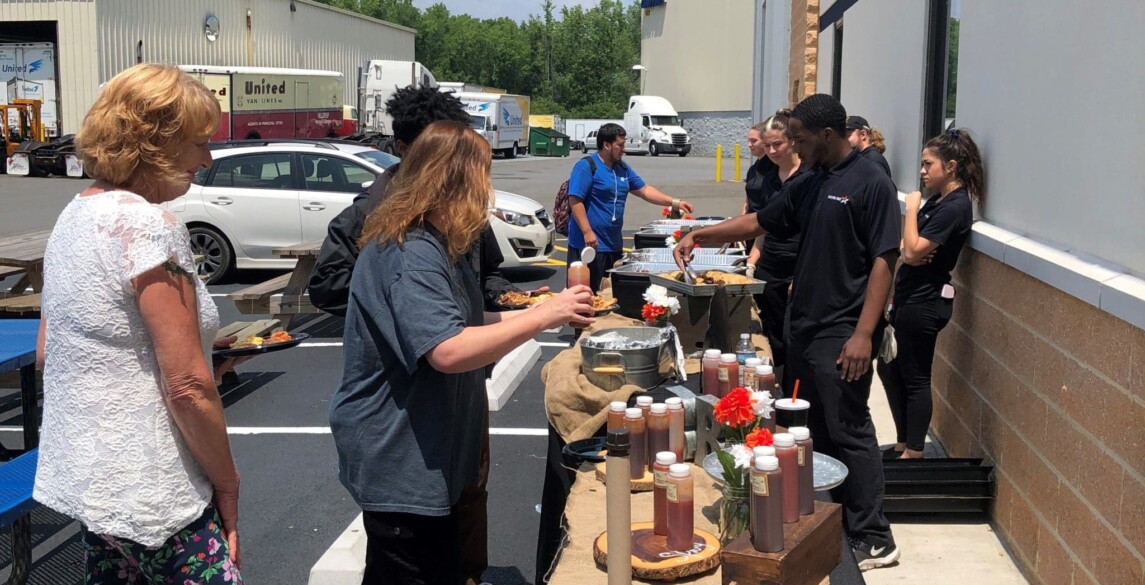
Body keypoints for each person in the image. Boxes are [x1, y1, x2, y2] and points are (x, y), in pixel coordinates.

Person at [328, 120, 594, 584]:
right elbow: (447, 350)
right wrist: (543, 316)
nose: (488, 190)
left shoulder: (436, 243)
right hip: (401, 456)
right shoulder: (409, 250)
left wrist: (551, 312)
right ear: (450, 181)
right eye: (483, 176)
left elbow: (469, 327)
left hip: (432, 454)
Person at [35, 63, 243, 584]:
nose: (208, 158)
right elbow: (187, 385)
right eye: (198, 143)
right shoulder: (148, 225)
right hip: (159, 494)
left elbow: (51, 354)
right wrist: (228, 483)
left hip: (95, 489)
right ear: (156, 142)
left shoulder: (75, 215)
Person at [674, 94, 901, 570]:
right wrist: (700, 234)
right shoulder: (816, 180)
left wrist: (865, 333)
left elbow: (884, 260)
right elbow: (763, 220)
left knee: (849, 428)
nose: (792, 145)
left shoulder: (870, 181)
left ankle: (874, 535)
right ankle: (829, 518)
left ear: (826, 134)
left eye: (798, 137)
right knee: (812, 429)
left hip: (843, 330)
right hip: (804, 324)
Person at [308, 86, 523, 318]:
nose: (454, 165)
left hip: (469, 339)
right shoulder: (370, 211)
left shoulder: (463, 209)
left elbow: (487, 274)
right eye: (440, 153)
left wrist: (513, 299)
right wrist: (410, 295)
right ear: (404, 149)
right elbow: (327, 287)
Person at [877, 128, 984, 460]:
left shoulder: (954, 206)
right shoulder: (938, 202)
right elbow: (906, 247)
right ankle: (902, 443)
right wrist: (911, 246)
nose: (921, 172)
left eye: (927, 164)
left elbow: (912, 251)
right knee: (889, 367)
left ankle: (914, 452)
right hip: (909, 296)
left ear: (950, 166)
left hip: (925, 301)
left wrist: (910, 210)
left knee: (914, 375)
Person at [566, 123, 693, 291]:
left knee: (609, 294)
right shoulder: (587, 166)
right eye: (620, 145)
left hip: (613, 245)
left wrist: (674, 202)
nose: (623, 149)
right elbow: (575, 200)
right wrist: (587, 231)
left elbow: (645, 190)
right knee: (583, 296)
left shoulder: (622, 168)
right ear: (606, 145)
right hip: (589, 247)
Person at [743, 110, 808, 374]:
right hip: (770, 265)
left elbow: (814, 231)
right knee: (771, 333)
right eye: (767, 145)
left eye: (777, 144)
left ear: (792, 141)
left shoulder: (807, 176)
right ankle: (777, 385)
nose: (771, 151)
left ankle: (796, 388)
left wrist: (802, 274)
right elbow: (763, 225)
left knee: (793, 334)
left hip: (797, 266)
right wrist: (751, 262)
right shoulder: (769, 179)